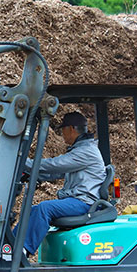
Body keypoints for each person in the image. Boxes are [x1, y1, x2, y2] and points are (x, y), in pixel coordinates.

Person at [23, 111, 106, 259]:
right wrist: (32, 174)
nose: (62, 134)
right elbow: (55, 173)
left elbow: (55, 165)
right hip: (78, 200)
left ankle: (23, 251)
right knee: (34, 209)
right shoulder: (80, 151)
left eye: (63, 130)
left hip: (84, 203)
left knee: (44, 208)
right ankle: (10, 248)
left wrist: (24, 162)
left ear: (71, 129)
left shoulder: (85, 152)